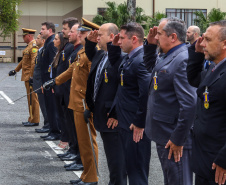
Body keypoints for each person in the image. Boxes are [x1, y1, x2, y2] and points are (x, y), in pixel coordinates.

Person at [43, 18, 99, 185]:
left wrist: (91, 104)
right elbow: (70, 70)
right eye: (79, 32)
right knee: (82, 142)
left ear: (92, 35)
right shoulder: (82, 52)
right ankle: (86, 174)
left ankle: (92, 177)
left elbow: (94, 80)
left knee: (88, 142)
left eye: (83, 32)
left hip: (84, 102)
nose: (80, 35)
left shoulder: (91, 53)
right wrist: (55, 81)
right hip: (76, 101)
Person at [144, 17, 197, 185]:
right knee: (171, 179)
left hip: (173, 137)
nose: (156, 37)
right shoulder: (170, 55)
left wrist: (177, 139)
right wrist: (151, 45)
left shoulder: (182, 59)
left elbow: (189, 104)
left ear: (173, 37)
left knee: (178, 180)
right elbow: (153, 69)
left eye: (159, 34)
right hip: (165, 134)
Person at [108, 22, 151, 185]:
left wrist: (140, 123)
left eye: (121, 38)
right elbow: (115, 64)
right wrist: (113, 44)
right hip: (126, 122)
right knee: (130, 167)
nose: (119, 41)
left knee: (137, 172)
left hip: (135, 126)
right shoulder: (130, 57)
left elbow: (146, 93)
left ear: (134, 39)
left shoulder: (141, 60)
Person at [85, 23, 127, 185]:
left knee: (117, 162)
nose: (97, 38)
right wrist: (89, 42)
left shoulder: (120, 58)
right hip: (102, 114)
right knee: (112, 160)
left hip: (112, 118)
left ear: (112, 37)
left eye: (100, 35)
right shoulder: (102, 55)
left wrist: (116, 113)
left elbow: (122, 90)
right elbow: (90, 54)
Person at [187, 20, 226, 185]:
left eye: (208, 39)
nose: (202, 43)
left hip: (219, 162)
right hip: (205, 158)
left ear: (224, 44)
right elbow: (195, 79)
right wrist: (196, 54)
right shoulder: (215, 66)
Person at [56, 20, 83, 165]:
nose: (69, 33)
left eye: (72, 31)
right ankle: (74, 151)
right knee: (72, 125)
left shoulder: (79, 51)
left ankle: (78, 155)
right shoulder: (73, 49)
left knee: (78, 128)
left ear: (80, 34)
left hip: (77, 96)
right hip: (68, 93)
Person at [8, 28, 40, 127]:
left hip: (30, 77)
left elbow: (33, 62)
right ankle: (31, 118)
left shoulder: (34, 46)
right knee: (30, 99)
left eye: (24, 35)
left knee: (33, 99)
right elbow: (24, 61)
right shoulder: (29, 47)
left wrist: (31, 77)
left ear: (29, 36)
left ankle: (35, 120)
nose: (22, 37)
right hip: (26, 76)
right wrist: (15, 70)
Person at [39, 22, 60, 141]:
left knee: (52, 107)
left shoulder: (52, 43)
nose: (41, 31)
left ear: (50, 30)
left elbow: (53, 64)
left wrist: (52, 82)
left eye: (43, 29)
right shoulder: (48, 42)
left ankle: (56, 131)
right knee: (49, 107)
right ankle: (52, 130)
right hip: (46, 82)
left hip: (49, 82)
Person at [51, 31, 69, 148]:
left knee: (64, 116)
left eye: (56, 39)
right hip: (57, 87)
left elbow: (64, 71)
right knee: (60, 115)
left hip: (62, 88)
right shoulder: (58, 52)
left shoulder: (64, 52)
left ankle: (66, 139)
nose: (54, 40)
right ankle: (64, 138)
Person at [32, 34, 50, 133]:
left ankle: (48, 125)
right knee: (43, 105)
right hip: (38, 82)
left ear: (43, 41)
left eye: (38, 38)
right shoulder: (40, 51)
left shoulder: (44, 51)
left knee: (44, 105)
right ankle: (47, 124)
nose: (35, 40)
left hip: (42, 83)